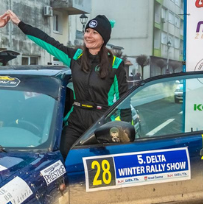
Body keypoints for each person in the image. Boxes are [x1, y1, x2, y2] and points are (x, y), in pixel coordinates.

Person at [7, 10, 130, 152]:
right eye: (87, 31)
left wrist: (126, 131)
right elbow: (47, 42)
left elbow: (124, 100)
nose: (88, 36)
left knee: (94, 164)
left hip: (101, 122)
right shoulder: (76, 57)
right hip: (76, 120)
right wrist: (20, 24)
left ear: (104, 38)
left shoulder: (115, 64)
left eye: (94, 33)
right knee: (62, 155)